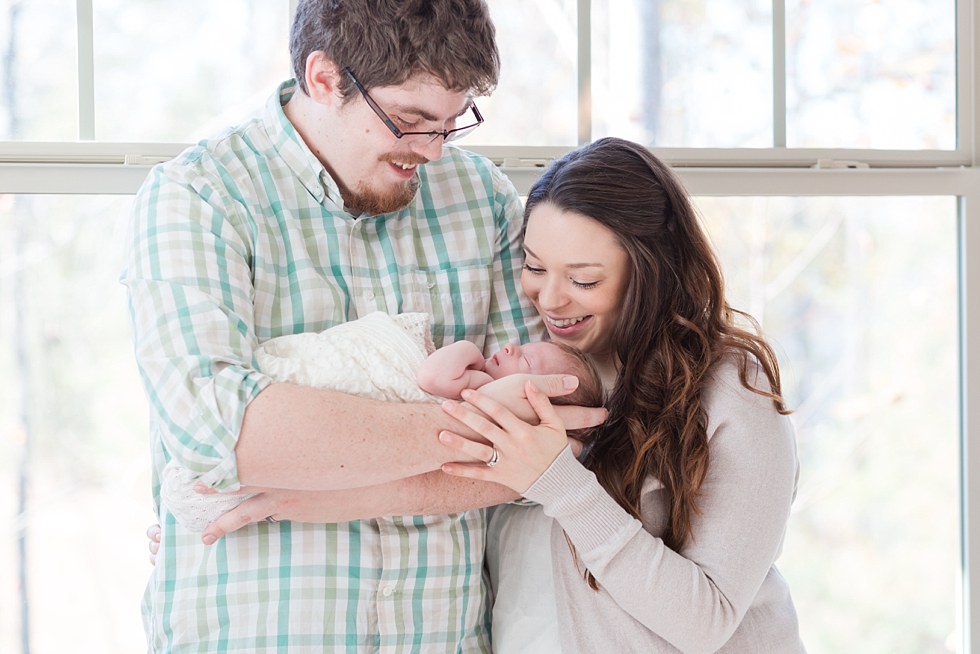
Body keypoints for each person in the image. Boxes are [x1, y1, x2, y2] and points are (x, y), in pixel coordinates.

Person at [122, 1, 604, 652]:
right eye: (409, 123)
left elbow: (548, 451)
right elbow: (217, 433)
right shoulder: (200, 197)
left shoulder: (481, 197)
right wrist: (485, 439)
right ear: (324, 78)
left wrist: (304, 482)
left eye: (449, 125)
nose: (431, 152)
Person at [435, 137, 806, 653]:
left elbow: (708, 621)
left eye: (583, 280)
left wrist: (562, 484)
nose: (550, 298)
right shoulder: (536, 370)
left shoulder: (731, 390)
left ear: (651, 269)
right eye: (535, 267)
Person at [159, 311, 603, 533]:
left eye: (524, 359)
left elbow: (433, 376)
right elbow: (207, 421)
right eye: (521, 345)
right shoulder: (489, 395)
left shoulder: (485, 392)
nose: (509, 349)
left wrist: (468, 350)